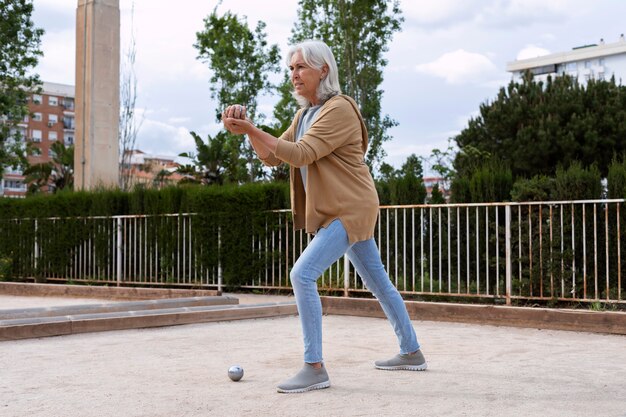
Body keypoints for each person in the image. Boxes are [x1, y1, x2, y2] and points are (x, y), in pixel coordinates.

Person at [222, 39, 426, 394]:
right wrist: (247, 129)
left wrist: (252, 130)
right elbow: (272, 157)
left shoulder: (340, 109)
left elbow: (301, 154)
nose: (294, 74)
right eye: (291, 68)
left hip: (349, 207)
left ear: (323, 70)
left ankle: (314, 367)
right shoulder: (304, 115)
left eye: (300, 67)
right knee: (378, 282)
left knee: (302, 274)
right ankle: (412, 352)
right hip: (339, 208)